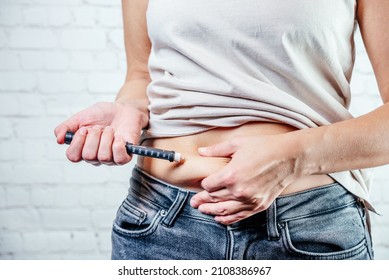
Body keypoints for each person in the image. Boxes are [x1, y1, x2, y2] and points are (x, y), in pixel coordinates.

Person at [54, 0, 387, 260]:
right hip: (158, 221)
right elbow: (140, 76)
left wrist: (294, 158)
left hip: (305, 227)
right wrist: (128, 110)